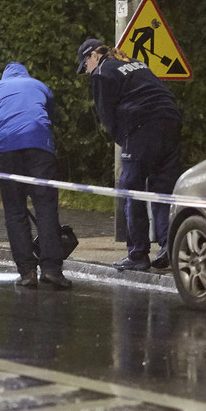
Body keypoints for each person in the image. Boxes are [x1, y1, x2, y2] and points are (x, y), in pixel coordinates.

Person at [76, 38, 182, 271]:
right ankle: (169, 246)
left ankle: (138, 254)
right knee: (163, 190)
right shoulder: (135, 62)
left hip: (142, 127)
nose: (87, 71)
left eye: (85, 66)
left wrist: (125, 143)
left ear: (92, 56)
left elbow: (108, 118)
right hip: (170, 121)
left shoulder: (102, 72)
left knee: (130, 188)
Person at [0, 62, 72, 290]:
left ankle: (27, 272)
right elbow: (50, 118)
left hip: (5, 148)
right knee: (46, 206)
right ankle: (52, 270)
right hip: (39, 146)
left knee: (15, 210)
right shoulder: (39, 85)